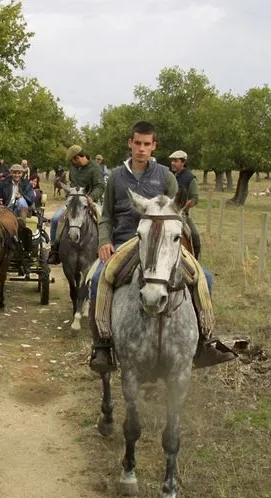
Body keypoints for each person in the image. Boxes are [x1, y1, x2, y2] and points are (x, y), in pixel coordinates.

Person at [87, 121, 180, 373]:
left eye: (146, 144)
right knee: (97, 279)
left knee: (203, 277)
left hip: (160, 244)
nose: (141, 148)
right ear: (130, 143)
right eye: (137, 143)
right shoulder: (116, 176)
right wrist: (105, 241)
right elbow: (106, 215)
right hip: (123, 242)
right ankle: (102, 345)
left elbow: (178, 215)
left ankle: (204, 339)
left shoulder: (166, 176)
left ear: (154, 146)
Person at [46, 145, 105, 264]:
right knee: (56, 218)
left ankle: (102, 248)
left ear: (78, 157)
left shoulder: (95, 168)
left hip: (90, 200)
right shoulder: (73, 167)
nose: (72, 163)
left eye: (72, 160)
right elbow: (72, 183)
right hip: (74, 200)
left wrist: (91, 197)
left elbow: (100, 186)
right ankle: (55, 250)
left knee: (103, 221)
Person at [168, 150, 202, 259]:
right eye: (172, 161)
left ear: (183, 162)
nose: (173, 163)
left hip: (182, 215)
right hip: (165, 213)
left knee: (195, 236)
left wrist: (181, 208)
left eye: (176, 161)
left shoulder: (190, 178)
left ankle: (195, 262)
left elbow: (194, 199)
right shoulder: (168, 175)